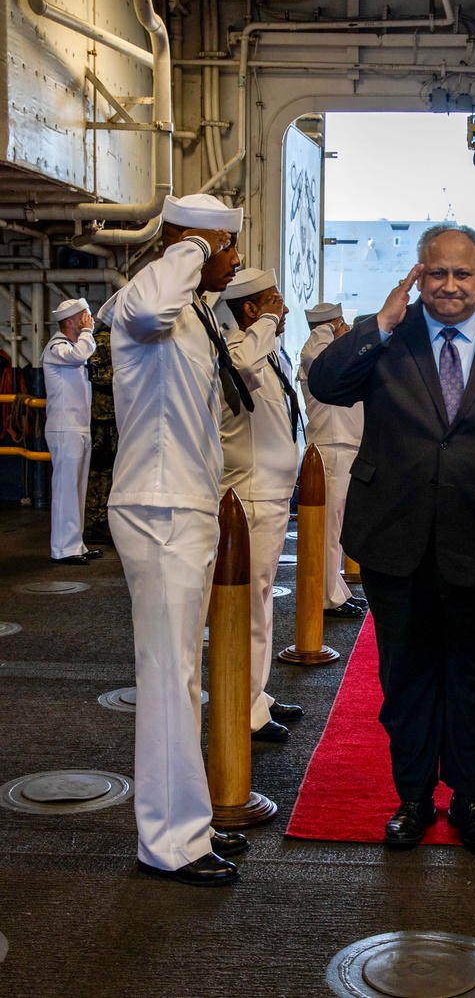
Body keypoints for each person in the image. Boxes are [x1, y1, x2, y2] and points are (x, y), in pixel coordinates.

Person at [308, 223, 475, 852]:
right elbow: (325, 384)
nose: (449, 286)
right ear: (417, 276)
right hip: (397, 539)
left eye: (462, 274)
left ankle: (470, 797)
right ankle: (412, 799)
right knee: (406, 678)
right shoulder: (388, 338)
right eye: (436, 274)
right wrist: (377, 324)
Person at [103, 193, 253, 887]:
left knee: (182, 677)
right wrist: (191, 245)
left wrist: (202, 256)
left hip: (183, 505)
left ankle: (186, 824)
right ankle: (170, 843)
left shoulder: (196, 313)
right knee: (169, 680)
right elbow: (145, 312)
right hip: (158, 509)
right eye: (230, 248)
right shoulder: (152, 293)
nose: (236, 262)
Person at [218, 267, 304, 744]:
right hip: (249, 496)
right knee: (250, 605)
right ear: (250, 309)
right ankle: (244, 706)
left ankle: (256, 693)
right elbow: (243, 367)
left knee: (262, 602)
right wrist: (264, 325)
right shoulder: (236, 350)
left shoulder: (265, 350)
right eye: (274, 301)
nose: (284, 309)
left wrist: (266, 328)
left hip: (269, 495)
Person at [297, 302, 367, 620]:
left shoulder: (337, 362)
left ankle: (336, 590)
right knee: (326, 529)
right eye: (343, 324)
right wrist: (328, 328)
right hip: (330, 450)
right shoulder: (318, 359)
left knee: (335, 529)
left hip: (345, 450)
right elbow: (314, 350)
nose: (347, 330)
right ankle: (326, 597)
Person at [42, 298, 99, 565]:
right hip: (65, 429)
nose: (89, 321)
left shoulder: (75, 346)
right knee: (66, 489)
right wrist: (88, 333)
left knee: (77, 488)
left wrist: (86, 334)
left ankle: (76, 544)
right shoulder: (58, 347)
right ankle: (63, 549)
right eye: (84, 317)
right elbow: (79, 356)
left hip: (78, 428)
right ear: (69, 322)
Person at [84, 319, 117, 547]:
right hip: (102, 416)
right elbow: (94, 373)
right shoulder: (103, 339)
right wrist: (123, 375)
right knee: (101, 469)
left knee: (113, 467)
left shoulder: (119, 338)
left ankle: (108, 518)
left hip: (116, 416)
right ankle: (97, 521)